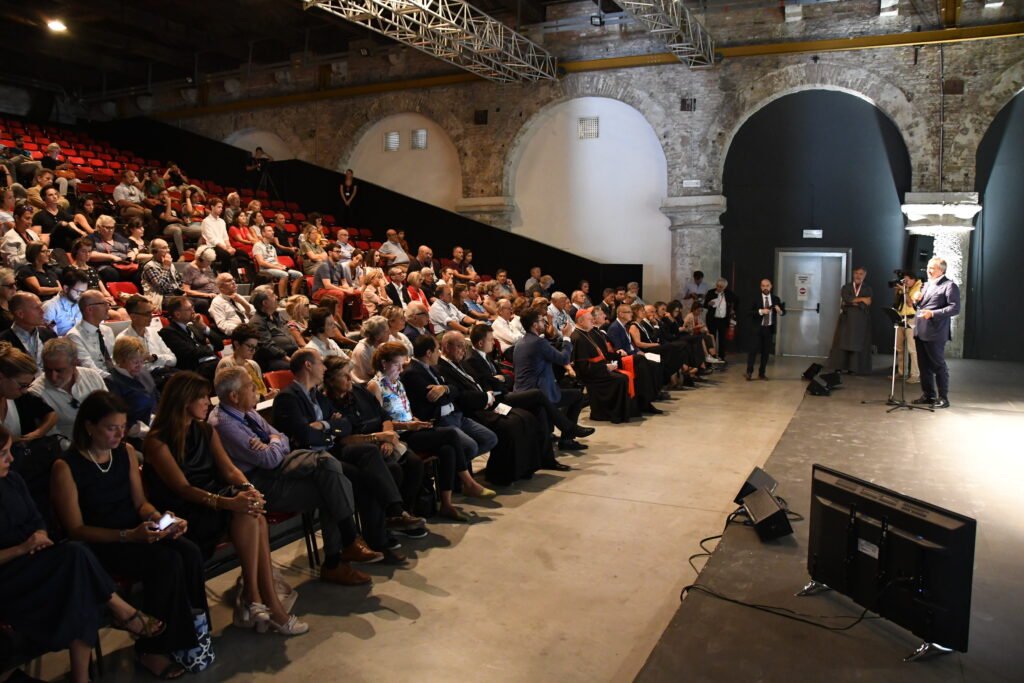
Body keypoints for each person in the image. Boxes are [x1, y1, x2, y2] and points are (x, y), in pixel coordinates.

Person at [51, 392, 207, 679]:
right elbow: (76, 529)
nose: (119, 433)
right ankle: (152, 649)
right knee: (166, 562)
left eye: (122, 427)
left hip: (134, 531)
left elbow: (140, 503)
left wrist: (161, 520)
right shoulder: (67, 466)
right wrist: (127, 535)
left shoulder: (122, 452)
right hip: (102, 542)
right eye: (111, 427)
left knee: (189, 551)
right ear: (89, 426)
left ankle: (191, 633)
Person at [0, 424, 168, 683]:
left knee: (80, 582)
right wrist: (22, 548)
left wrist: (40, 535)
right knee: (76, 557)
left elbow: (36, 518)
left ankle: (84, 676)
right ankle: (122, 612)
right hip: (9, 574)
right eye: (3, 455)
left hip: (36, 558)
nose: (11, 459)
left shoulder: (12, 479)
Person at [143, 372, 308, 635]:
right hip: (182, 510)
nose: (207, 402)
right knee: (249, 514)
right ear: (184, 401)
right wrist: (228, 502)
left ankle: (256, 601)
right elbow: (182, 489)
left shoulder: (204, 429)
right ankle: (262, 603)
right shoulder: (157, 441)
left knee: (253, 511)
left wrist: (249, 489)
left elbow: (230, 470)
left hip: (215, 497)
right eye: (201, 398)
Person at [212, 365, 384, 582]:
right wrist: (275, 442)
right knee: (327, 469)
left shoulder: (247, 411)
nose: (256, 388)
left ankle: (338, 558)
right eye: (249, 386)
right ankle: (343, 551)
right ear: (234, 395)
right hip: (257, 484)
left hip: (278, 468)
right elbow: (268, 459)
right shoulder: (224, 424)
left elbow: (280, 436)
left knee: (331, 479)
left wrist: (271, 442)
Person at [367, 342, 488, 521]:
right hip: (398, 436)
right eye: (397, 365)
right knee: (451, 434)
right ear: (384, 363)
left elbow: (405, 410)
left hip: (411, 429)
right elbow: (380, 421)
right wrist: (407, 425)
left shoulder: (398, 383)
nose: (401, 369)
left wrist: (414, 420)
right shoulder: (375, 386)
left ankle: (446, 504)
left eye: (402, 365)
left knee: (448, 449)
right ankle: (468, 482)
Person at [323, 356, 427, 530]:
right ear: (330, 380)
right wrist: (380, 437)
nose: (350, 378)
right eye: (344, 376)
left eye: (349, 373)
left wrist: (387, 436)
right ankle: (393, 516)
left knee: (415, 463)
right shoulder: (328, 404)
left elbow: (384, 417)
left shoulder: (359, 391)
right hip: (358, 448)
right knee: (394, 469)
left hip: (379, 441)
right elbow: (344, 439)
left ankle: (405, 514)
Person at [436, 331, 548, 484]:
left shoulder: (460, 363)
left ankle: (524, 469)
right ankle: (501, 474)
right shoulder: (441, 368)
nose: (463, 350)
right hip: (472, 410)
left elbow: (478, 382)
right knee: (510, 426)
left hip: (486, 402)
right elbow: (461, 396)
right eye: (459, 346)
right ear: (446, 347)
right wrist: (486, 397)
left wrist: (488, 394)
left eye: (464, 346)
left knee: (526, 417)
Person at [0, 343, 57, 512]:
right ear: (1, 377)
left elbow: (51, 414)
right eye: (22, 385)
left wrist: (37, 433)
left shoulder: (18, 396)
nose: (25, 390)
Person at [30, 338, 107, 441]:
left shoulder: (92, 376)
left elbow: (109, 411)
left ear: (75, 363)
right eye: (47, 370)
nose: (53, 376)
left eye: (59, 370)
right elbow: (51, 437)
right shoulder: (36, 393)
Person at [911, 257, 960, 409]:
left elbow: (954, 308)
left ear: (941, 270)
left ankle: (943, 397)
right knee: (923, 366)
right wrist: (916, 300)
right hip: (920, 330)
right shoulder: (925, 285)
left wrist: (933, 314)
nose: (929, 270)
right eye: (928, 267)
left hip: (935, 332)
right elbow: (920, 307)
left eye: (932, 267)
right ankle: (928, 395)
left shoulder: (949, 285)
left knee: (938, 365)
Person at [570, 308, 633, 423]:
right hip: (591, 374)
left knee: (622, 378)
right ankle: (609, 414)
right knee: (620, 379)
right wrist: (605, 367)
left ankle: (616, 413)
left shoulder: (586, 333)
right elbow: (583, 367)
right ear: (580, 321)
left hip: (597, 369)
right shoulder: (578, 338)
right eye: (590, 319)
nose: (592, 322)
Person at [104, 337, 159, 439]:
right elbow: (117, 417)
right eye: (135, 362)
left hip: (156, 423)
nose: (140, 366)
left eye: (142, 361)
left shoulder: (144, 373)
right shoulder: (112, 382)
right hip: (136, 433)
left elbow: (157, 398)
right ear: (121, 360)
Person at [158, 296, 220, 381]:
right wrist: (210, 347)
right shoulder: (168, 332)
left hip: (210, 363)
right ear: (177, 314)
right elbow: (191, 353)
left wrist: (204, 327)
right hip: (196, 369)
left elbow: (220, 345)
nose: (193, 311)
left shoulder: (193, 327)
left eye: (193, 308)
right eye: (189, 309)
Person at [117, 295, 178, 381]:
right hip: (144, 379)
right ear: (133, 316)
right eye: (147, 313)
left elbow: (173, 360)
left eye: (151, 312)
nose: (151, 316)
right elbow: (124, 370)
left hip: (163, 373)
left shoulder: (154, 332)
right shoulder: (123, 339)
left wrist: (155, 358)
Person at [828, 266, 873, 374]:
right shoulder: (846, 287)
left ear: (864, 275)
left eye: (861, 274)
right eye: (856, 273)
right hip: (846, 319)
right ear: (853, 274)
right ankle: (839, 366)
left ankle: (853, 368)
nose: (858, 276)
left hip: (861, 321)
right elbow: (846, 298)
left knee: (857, 344)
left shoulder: (867, 288)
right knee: (841, 343)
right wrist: (861, 299)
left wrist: (852, 302)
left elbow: (868, 303)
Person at [216, 323, 276, 401]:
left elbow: (262, 392)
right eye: (250, 346)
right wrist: (264, 398)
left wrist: (269, 395)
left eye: (255, 347)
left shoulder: (254, 364)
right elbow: (231, 397)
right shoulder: (226, 364)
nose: (253, 351)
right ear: (237, 344)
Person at [66, 290, 117, 377]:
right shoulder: (74, 336)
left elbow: (116, 360)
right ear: (89, 309)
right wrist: (118, 381)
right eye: (104, 304)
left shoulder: (107, 330)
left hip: (116, 377)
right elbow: (89, 370)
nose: (108, 308)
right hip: (96, 382)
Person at [312, 242, 363, 325]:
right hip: (320, 291)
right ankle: (337, 323)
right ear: (330, 253)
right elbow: (327, 285)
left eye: (340, 252)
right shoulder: (324, 265)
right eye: (337, 252)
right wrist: (345, 291)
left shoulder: (339, 266)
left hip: (333, 289)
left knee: (357, 293)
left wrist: (348, 288)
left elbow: (344, 282)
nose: (340, 254)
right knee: (340, 294)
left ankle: (355, 321)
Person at [0, 292, 55, 367]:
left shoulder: (49, 334)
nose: (42, 311)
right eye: (36, 307)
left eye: (41, 306)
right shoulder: (3, 342)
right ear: (20, 314)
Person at [250, 286, 297, 371]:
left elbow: (287, 334)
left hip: (290, 353)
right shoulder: (257, 322)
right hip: (272, 360)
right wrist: (286, 358)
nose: (276, 297)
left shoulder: (276, 316)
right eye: (272, 295)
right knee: (300, 367)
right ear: (265, 303)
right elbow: (267, 346)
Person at [746, 278, 785, 381]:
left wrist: (779, 311)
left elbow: (783, 312)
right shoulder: (755, 298)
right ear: (760, 287)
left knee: (766, 352)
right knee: (753, 351)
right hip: (757, 329)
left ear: (771, 286)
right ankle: (749, 372)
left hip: (768, 329)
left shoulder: (776, 298)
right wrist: (760, 311)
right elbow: (748, 312)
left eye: (767, 285)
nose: (765, 288)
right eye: (763, 286)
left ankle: (762, 373)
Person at [253, 225, 303, 298]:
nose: (272, 232)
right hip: (265, 269)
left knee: (299, 275)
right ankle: (282, 297)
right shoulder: (258, 245)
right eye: (269, 231)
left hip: (275, 267)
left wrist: (281, 266)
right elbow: (261, 262)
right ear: (263, 233)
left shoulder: (272, 247)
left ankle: (293, 296)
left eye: (272, 231)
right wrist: (277, 267)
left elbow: (276, 261)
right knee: (284, 274)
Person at [892, 271, 921, 384]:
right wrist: (898, 291)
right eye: (904, 280)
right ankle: (902, 372)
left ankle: (915, 375)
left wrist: (904, 291)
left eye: (907, 280)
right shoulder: (905, 288)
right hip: (901, 317)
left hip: (912, 318)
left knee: (912, 349)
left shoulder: (918, 287)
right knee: (899, 347)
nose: (906, 282)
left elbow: (910, 303)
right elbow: (897, 302)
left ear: (914, 279)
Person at [140, 239, 184, 311]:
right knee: (185, 305)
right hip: (159, 298)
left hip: (173, 295)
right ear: (155, 252)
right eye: (164, 248)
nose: (168, 250)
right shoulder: (149, 266)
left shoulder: (169, 263)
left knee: (195, 302)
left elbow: (178, 281)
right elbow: (161, 288)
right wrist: (166, 268)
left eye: (168, 247)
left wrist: (182, 290)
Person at [41, 267, 87, 336]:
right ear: (66, 288)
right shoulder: (50, 307)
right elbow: (47, 338)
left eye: (83, 292)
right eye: (78, 292)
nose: (81, 295)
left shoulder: (82, 303)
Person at [703, 278, 737, 361]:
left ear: (725, 287)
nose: (719, 288)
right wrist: (709, 304)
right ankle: (712, 356)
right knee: (711, 338)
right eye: (717, 286)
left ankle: (722, 356)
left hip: (723, 320)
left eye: (721, 287)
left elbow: (737, 301)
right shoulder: (711, 292)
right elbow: (704, 305)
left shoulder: (729, 293)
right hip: (712, 319)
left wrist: (733, 310)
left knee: (722, 339)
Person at [2, 202, 41, 269]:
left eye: (31, 219)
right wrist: (31, 254)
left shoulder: (32, 233)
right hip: (21, 272)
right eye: (27, 218)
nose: (30, 222)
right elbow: (11, 263)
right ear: (17, 218)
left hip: (37, 268)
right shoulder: (9, 237)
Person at [181, 249, 219, 316]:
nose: (210, 263)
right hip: (200, 296)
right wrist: (207, 295)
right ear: (200, 259)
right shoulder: (189, 269)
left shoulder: (207, 266)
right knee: (203, 303)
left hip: (213, 294)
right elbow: (187, 290)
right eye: (208, 261)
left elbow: (212, 281)